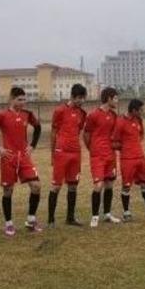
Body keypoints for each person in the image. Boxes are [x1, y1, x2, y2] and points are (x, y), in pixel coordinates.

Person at [0, 87, 43, 236]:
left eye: (24, 99)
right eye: (19, 100)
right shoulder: (2, 115)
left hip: (24, 158)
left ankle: (31, 220)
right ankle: (8, 224)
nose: (23, 102)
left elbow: (38, 127)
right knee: (8, 191)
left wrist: (32, 145)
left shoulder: (27, 114)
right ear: (11, 99)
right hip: (8, 158)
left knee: (36, 186)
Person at [113, 98, 145, 220]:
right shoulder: (120, 122)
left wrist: (135, 146)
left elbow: (140, 135)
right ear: (134, 110)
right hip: (127, 160)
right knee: (126, 186)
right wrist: (126, 147)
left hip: (141, 158)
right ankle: (126, 213)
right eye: (140, 110)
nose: (142, 112)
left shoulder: (138, 120)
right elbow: (114, 142)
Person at [48, 83, 87, 228]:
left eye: (83, 98)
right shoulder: (60, 110)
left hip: (75, 153)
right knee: (56, 186)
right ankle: (51, 220)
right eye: (79, 98)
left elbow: (78, 131)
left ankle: (70, 218)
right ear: (72, 96)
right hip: (61, 152)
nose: (81, 101)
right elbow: (53, 133)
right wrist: (53, 153)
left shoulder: (82, 114)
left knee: (73, 186)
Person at [84, 87, 121, 227]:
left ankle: (107, 214)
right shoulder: (93, 115)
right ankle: (94, 217)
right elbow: (86, 134)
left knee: (109, 184)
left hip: (110, 155)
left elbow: (114, 134)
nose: (117, 101)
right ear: (109, 98)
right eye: (116, 98)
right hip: (97, 156)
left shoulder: (113, 115)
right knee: (98, 185)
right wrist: (92, 149)